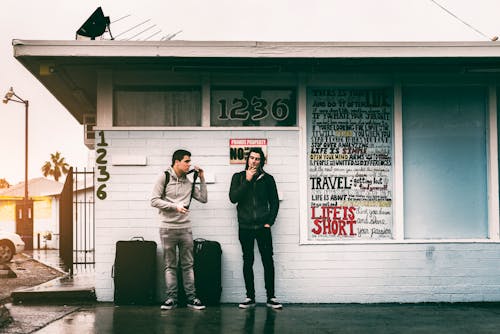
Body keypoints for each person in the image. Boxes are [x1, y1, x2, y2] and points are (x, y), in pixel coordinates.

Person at [151, 149, 207, 310]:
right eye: (187, 161)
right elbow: (154, 200)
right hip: (167, 228)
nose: (189, 164)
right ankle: (172, 299)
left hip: (185, 229)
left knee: (188, 265)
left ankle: (191, 298)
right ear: (177, 162)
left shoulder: (188, 182)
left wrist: (202, 178)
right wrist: (175, 207)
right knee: (170, 265)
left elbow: (203, 198)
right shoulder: (164, 177)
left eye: (189, 161)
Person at [229, 147, 282, 309]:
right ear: (247, 159)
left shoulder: (268, 179)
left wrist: (269, 222)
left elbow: (274, 202)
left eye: (257, 159)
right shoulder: (238, 177)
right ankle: (249, 297)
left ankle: (271, 297)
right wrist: (247, 180)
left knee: (268, 261)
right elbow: (233, 198)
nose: (254, 161)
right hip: (245, 227)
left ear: (261, 161)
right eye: (252, 158)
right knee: (248, 260)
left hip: (262, 227)